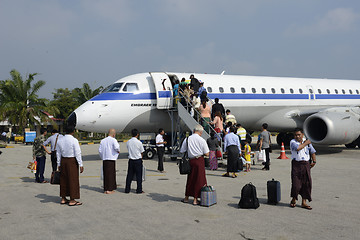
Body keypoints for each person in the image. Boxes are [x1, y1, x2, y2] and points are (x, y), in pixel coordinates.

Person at [180, 125, 210, 205]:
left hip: (190, 160)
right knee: (199, 180)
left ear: (193, 131)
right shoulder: (202, 140)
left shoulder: (187, 139)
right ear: (200, 132)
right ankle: (195, 199)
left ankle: (186, 197)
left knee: (190, 179)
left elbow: (182, 150)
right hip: (199, 160)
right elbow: (207, 153)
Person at [56, 125, 84, 206]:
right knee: (73, 180)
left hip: (63, 161)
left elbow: (58, 153)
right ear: (73, 131)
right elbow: (77, 153)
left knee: (63, 179)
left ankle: (63, 198)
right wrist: (80, 164)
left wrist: (58, 163)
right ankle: (72, 199)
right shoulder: (74, 140)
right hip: (72, 161)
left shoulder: (60, 140)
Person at [290, 128, 316, 210]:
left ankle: (304, 202)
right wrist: (306, 143)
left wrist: (314, 161)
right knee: (296, 184)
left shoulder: (307, 142)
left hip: (306, 164)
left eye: (299, 135)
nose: (297, 136)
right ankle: (294, 199)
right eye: (295, 135)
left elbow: (312, 151)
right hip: (296, 164)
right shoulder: (293, 142)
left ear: (302, 135)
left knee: (306, 183)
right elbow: (297, 148)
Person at [99, 128, 120, 194]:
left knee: (106, 174)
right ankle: (109, 189)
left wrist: (102, 156)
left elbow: (100, 150)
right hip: (111, 158)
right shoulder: (113, 140)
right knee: (111, 174)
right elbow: (117, 147)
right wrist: (118, 151)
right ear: (114, 134)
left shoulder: (103, 141)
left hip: (105, 159)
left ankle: (106, 188)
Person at [125, 129, 145, 194]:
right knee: (139, 176)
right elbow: (142, 152)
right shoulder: (139, 142)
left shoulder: (128, 142)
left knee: (129, 176)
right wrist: (141, 158)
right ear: (137, 134)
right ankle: (139, 190)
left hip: (131, 160)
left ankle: (127, 189)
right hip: (138, 160)